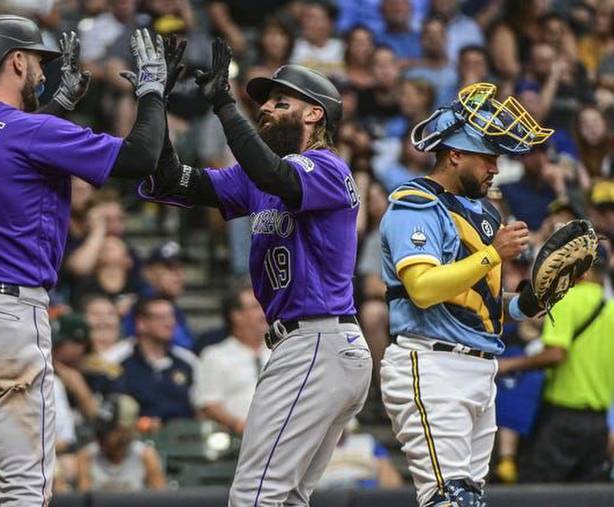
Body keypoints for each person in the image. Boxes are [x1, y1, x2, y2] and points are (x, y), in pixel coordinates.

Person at [0, 14, 177, 506]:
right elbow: (139, 158)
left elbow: (1, 146)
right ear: (14, 60)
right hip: (5, 316)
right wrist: (153, 92)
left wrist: (55, 106)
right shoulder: (30, 131)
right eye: (36, 62)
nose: (43, 72)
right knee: (25, 490)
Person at [138, 38, 372, 505]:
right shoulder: (259, 177)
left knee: (253, 494)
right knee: (284, 498)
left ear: (314, 115)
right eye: (262, 101)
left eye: (279, 102)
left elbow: (274, 178)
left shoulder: (327, 168)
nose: (265, 108)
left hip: (317, 342)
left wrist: (225, 102)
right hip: (310, 347)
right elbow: (171, 180)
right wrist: (155, 99)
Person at [379, 82, 553, 506]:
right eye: (488, 157)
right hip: (431, 362)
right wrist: (494, 254)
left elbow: (480, 303)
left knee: (468, 499)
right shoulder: (414, 203)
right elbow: (422, 288)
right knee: (449, 499)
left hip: (479, 368)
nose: (496, 168)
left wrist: (527, 303)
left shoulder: (483, 212)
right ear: (454, 154)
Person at [497, 244, 614, 483]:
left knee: (538, 490)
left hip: (563, 418)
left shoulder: (567, 299)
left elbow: (555, 354)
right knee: (587, 496)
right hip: (598, 421)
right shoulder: (611, 308)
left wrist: (508, 365)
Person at [193, 284, 269, 435]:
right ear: (236, 316)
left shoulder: (280, 351)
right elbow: (209, 404)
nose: (264, 312)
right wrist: (240, 426)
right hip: (234, 441)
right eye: (255, 307)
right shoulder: (214, 356)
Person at [76, 393, 166, 492]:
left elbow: (161, 499)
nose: (100, 437)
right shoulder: (87, 457)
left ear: (124, 431)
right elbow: (83, 501)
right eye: (99, 431)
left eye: (107, 431)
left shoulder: (146, 456)